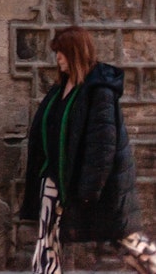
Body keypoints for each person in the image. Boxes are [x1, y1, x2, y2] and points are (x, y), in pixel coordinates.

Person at [21, 26, 156, 274]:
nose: (58, 58)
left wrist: (88, 190)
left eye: (62, 52)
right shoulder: (61, 88)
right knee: (47, 238)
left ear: (75, 52)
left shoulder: (98, 89)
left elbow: (102, 145)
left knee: (127, 240)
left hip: (97, 185)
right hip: (55, 178)